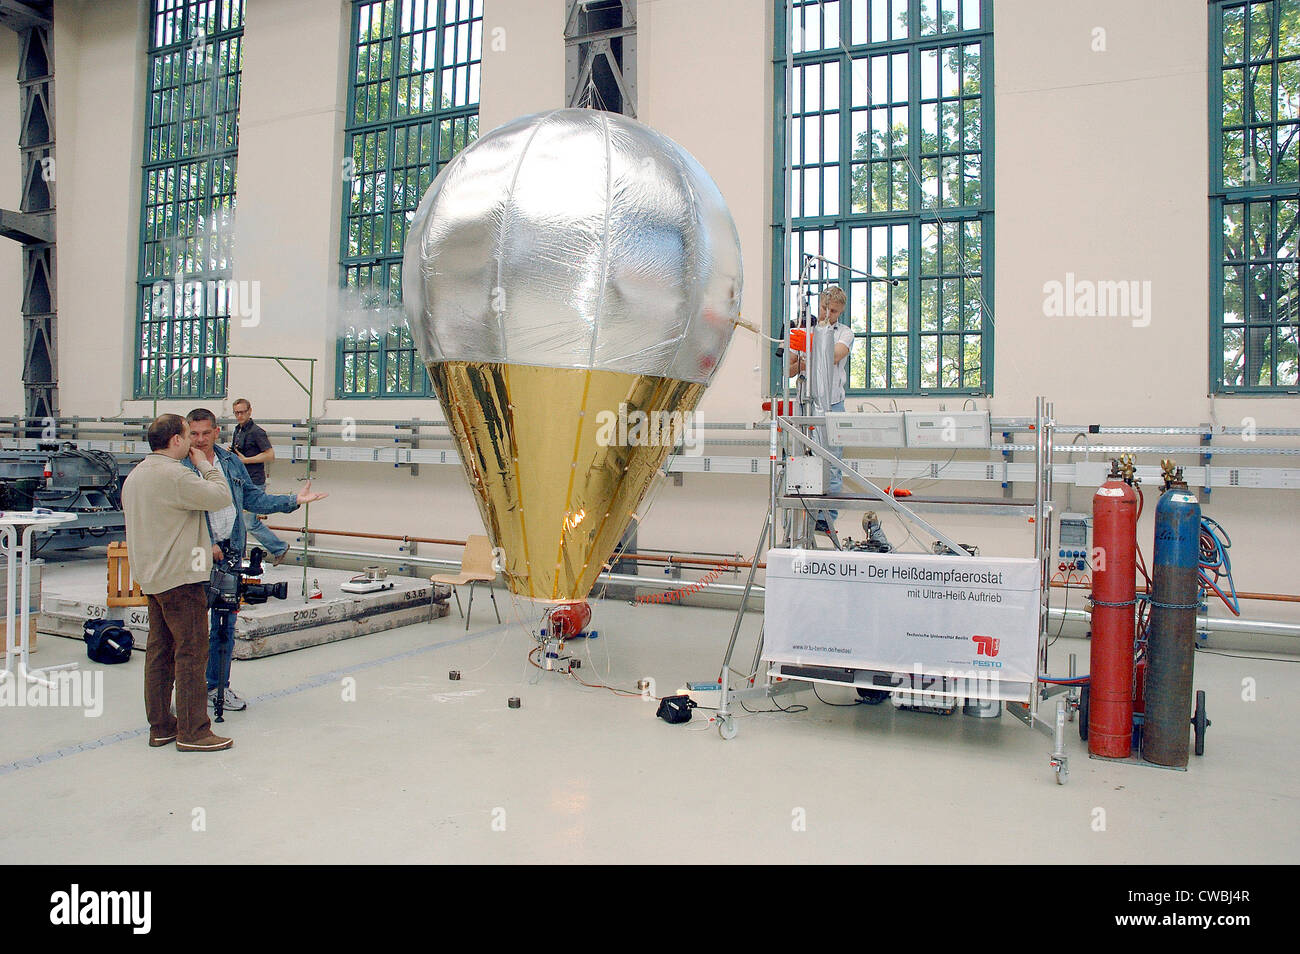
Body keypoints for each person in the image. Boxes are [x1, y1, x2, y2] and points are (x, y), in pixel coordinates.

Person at [185, 407, 328, 713]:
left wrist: (293, 500)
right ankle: (187, 692)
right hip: (197, 555)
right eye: (193, 434)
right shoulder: (181, 466)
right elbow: (180, 512)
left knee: (224, 626)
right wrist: (207, 543)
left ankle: (217, 688)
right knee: (191, 628)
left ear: (216, 432)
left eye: (205, 433)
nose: (199, 440)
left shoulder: (230, 462)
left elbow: (253, 498)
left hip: (231, 553)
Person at [121, 414, 235, 752]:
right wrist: (206, 466)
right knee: (191, 653)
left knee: (159, 652)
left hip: (153, 577)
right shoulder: (176, 475)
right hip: (181, 580)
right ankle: (194, 731)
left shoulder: (136, 475)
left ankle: (161, 727)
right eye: (188, 436)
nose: (193, 443)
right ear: (175, 440)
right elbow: (219, 496)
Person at [787, 284, 853, 534]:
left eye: (834, 311)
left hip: (833, 405)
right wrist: (803, 356)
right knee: (803, 460)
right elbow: (790, 369)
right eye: (825, 308)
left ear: (841, 312)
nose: (828, 314)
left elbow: (834, 355)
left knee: (832, 463)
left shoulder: (844, 333)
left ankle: (826, 518)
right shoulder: (802, 331)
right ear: (818, 305)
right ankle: (806, 513)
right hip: (805, 403)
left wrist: (807, 353)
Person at [229, 398, 287, 564]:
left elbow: (270, 455)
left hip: (254, 481)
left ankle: (279, 548)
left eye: (242, 412)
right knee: (239, 520)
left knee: (250, 522)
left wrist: (246, 460)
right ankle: (240, 554)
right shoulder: (237, 431)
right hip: (241, 481)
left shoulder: (257, 432)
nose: (239, 416)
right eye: (236, 413)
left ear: (249, 412)